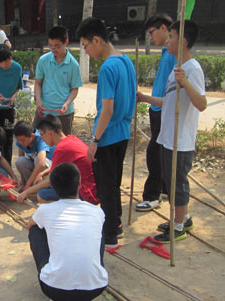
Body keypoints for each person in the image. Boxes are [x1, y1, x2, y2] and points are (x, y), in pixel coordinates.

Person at [137, 20, 206, 243]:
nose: (169, 40)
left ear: (183, 41)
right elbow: (169, 100)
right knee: (170, 179)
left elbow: (202, 103)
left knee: (178, 183)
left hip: (181, 139)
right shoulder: (178, 68)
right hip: (167, 137)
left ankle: (178, 227)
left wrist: (186, 82)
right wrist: (145, 98)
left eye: (173, 36)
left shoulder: (192, 69)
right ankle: (182, 218)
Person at [77, 18, 136, 248]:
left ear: (97, 40)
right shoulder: (125, 60)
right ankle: (116, 222)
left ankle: (110, 234)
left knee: (105, 186)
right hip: (123, 133)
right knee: (114, 181)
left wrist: (94, 140)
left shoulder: (108, 67)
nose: (86, 50)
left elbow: (107, 109)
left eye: (85, 45)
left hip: (109, 135)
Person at [27, 162, 108, 301]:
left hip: (54, 290)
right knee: (98, 228)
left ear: (53, 187)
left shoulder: (45, 210)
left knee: (36, 229)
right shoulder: (96, 210)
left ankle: (54, 270)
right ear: (79, 184)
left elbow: (30, 224)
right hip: (95, 288)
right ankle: (91, 270)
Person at [136, 14, 176, 212]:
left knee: (155, 152)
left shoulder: (173, 53)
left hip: (164, 109)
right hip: (156, 108)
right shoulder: (165, 52)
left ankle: (152, 196)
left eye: (152, 33)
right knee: (160, 151)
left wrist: (146, 98)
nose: (151, 38)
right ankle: (165, 188)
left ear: (163, 28)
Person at [17, 114, 98, 206]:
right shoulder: (70, 139)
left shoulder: (61, 149)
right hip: (93, 188)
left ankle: (74, 208)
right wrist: (42, 173)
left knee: (42, 195)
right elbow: (57, 167)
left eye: (42, 136)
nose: (42, 140)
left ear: (49, 132)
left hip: (86, 194)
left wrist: (27, 191)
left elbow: (50, 181)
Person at [33, 26, 83, 135]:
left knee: (62, 145)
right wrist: (38, 101)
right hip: (44, 109)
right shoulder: (43, 60)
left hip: (64, 113)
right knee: (38, 141)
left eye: (57, 46)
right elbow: (38, 83)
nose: (53, 49)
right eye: (50, 45)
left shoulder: (73, 64)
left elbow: (74, 89)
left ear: (66, 42)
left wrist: (67, 103)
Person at [13, 120, 55, 192]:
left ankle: (42, 187)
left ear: (32, 136)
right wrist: (23, 183)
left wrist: (27, 187)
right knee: (20, 161)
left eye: (22, 140)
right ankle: (32, 186)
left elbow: (41, 164)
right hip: (36, 166)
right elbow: (20, 157)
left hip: (51, 167)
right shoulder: (21, 140)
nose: (20, 142)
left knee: (37, 160)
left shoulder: (40, 138)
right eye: (18, 140)